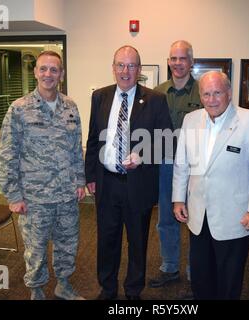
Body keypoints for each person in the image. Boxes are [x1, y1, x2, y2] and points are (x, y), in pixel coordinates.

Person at [172, 71, 249, 299]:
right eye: (206, 94)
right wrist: (179, 198)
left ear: (229, 93)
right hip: (198, 215)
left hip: (235, 216)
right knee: (201, 276)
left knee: (229, 278)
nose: (212, 99)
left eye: (217, 93)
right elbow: (182, 164)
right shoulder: (191, 120)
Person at [0, 51, 86, 300]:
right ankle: (36, 290)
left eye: (54, 70)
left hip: (66, 194)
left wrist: (80, 180)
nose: (48, 74)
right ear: (35, 72)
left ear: (61, 74)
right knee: (35, 250)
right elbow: (6, 156)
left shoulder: (71, 107)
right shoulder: (19, 109)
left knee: (67, 245)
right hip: (34, 198)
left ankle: (63, 284)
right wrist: (13, 195)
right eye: (43, 69)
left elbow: (76, 148)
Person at [85, 45, 173, 300]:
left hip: (138, 184)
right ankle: (108, 288)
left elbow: (167, 140)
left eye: (131, 65)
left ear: (139, 70)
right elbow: (93, 139)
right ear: (113, 68)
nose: (126, 71)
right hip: (107, 183)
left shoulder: (155, 99)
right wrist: (90, 176)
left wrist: (142, 155)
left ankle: (134, 290)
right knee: (106, 240)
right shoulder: (99, 97)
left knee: (137, 242)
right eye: (121, 65)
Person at [149, 40, 201, 290]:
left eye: (182, 58)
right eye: (173, 58)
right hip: (166, 164)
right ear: (168, 61)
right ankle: (169, 267)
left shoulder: (203, 91)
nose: (177, 63)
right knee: (167, 219)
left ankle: (195, 271)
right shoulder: (157, 92)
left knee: (196, 218)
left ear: (191, 62)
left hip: (198, 166)